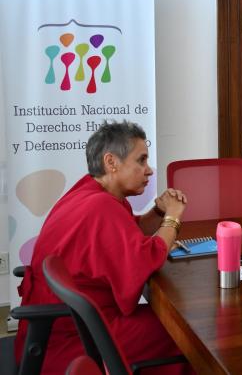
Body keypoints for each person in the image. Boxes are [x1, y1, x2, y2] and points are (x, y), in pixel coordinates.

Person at [15, 121, 192, 374]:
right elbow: (147, 257)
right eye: (141, 160)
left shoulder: (89, 190)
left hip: (56, 329)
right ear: (111, 162)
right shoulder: (101, 206)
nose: (149, 170)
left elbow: (128, 234)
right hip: (77, 337)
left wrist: (158, 211)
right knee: (184, 331)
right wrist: (173, 217)